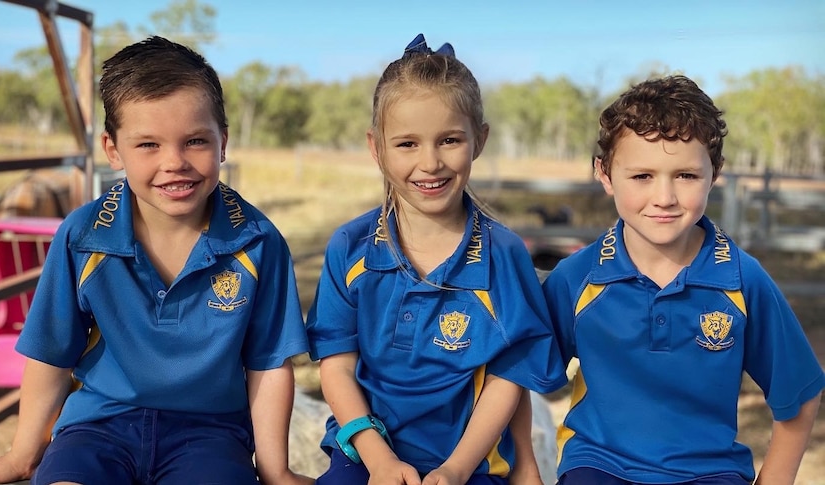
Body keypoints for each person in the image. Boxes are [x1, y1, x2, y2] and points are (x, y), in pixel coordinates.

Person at [0, 36, 313, 485]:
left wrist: (274, 469)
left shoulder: (258, 242)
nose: (175, 162)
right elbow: (52, 353)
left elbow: (269, 363)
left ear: (223, 142)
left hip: (209, 434)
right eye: (148, 144)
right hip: (98, 427)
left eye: (195, 141)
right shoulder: (83, 236)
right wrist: (20, 454)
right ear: (113, 150)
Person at [304, 33, 568, 485]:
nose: (430, 163)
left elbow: (509, 376)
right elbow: (337, 365)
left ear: (479, 140)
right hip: (366, 452)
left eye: (448, 140)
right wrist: (379, 459)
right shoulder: (349, 247)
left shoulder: (505, 255)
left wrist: (458, 468)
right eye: (407, 144)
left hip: (473, 460)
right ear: (376, 147)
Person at [543, 74, 825, 485]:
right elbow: (515, 375)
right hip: (599, 465)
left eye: (686, 176)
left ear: (716, 172)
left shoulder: (743, 281)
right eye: (642, 176)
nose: (665, 197)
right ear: (604, 174)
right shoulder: (577, 278)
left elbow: (799, 394)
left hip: (711, 472)